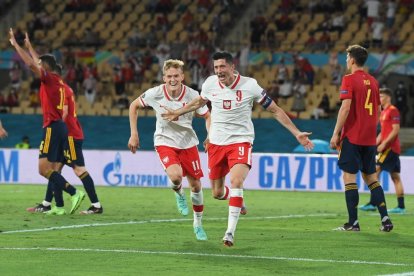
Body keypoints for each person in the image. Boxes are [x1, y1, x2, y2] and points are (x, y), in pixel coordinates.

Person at [162, 52, 314, 247]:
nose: (219, 71)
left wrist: (296, 133)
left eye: (222, 67)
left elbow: (275, 109)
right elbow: (199, 102)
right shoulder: (210, 83)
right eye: (216, 68)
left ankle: (229, 233)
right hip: (216, 143)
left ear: (233, 67)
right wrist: (177, 111)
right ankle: (237, 200)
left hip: (240, 141)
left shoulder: (250, 86)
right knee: (217, 193)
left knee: (236, 180)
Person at [128, 59, 211, 241]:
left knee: (196, 185)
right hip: (164, 140)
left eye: (176, 76)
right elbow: (133, 105)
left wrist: (210, 135)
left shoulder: (192, 95)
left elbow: (207, 116)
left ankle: (198, 224)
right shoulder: (155, 93)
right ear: (164, 77)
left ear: (182, 76)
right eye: (169, 76)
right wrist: (134, 134)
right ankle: (179, 192)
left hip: (188, 143)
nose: (172, 79)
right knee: (175, 176)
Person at [23, 33, 102, 215]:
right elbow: (39, 63)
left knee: (77, 169)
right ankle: (50, 204)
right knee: (54, 169)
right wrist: (29, 47)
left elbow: (65, 113)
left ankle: (96, 205)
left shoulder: (59, 88)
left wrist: (59, 127)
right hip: (66, 132)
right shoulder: (63, 86)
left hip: (70, 134)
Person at [9, 28, 85, 215]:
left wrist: (16, 46)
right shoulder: (59, 82)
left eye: (41, 64)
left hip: (52, 126)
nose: (39, 65)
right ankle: (58, 206)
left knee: (43, 169)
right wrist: (30, 46)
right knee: (50, 168)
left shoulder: (48, 79)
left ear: (46, 68)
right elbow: (36, 62)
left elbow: (30, 64)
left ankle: (74, 193)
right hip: (59, 126)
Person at [330, 45, 393, 232]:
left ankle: (353, 223)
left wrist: (336, 133)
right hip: (369, 138)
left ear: (352, 60)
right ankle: (386, 219)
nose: (346, 59)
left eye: (347, 56)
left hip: (352, 136)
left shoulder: (348, 79)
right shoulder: (374, 82)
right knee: (372, 178)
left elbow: (345, 108)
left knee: (349, 178)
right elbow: (379, 111)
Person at [359, 88, 406, 214]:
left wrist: (384, 143)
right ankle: (401, 207)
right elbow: (384, 132)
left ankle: (373, 203)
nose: (379, 99)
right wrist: (374, 143)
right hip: (390, 148)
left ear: (388, 97)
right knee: (395, 177)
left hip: (390, 148)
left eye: (381, 96)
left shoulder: (393, 110)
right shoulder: (384, 112)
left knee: (374, 173)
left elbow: (395, 130)